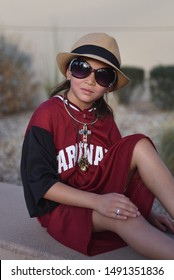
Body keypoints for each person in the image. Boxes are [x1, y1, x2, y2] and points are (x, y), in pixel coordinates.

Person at [21, 32, 174, 259]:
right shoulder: (48, 114)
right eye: (82, 68)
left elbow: (119, 172)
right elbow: (40, 183)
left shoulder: (104, 119)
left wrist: (147, 213)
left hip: (99, 195)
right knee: (120, 213)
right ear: (68, 71)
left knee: (139, 144)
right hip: (61, 206)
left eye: (103, 75)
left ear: (109, 87)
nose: (90, 80)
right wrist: (99, 202)